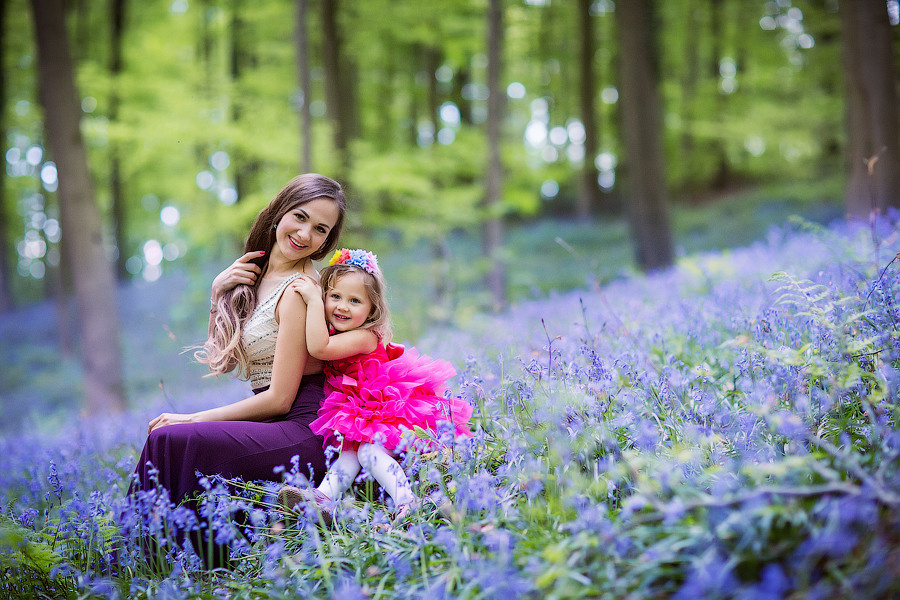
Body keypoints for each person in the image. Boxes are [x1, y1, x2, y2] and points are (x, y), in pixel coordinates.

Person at [131, 173, 346, 510]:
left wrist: (190, 418)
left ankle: (143, 541)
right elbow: (224, 360)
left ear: (326, 241)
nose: (305, 234)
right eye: (300, 217)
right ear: (280, 212)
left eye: (320, 229)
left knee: (169, 439)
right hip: (275, 425)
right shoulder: (258, 275)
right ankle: (163, 541)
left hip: (303, 430)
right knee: (170, 441)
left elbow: (279, 400)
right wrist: (218, 294)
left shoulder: (299, 290)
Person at [277, 248, 473, 523]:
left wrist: (312, 301)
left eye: (355, 301)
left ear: (372, 310)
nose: (343, 306)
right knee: (349, 452)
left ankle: (407, 501)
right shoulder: (338, 330)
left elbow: (320, 348)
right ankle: (322, 497)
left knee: (369, 452)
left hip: (389, 407)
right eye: (335, 297)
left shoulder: (365, 336)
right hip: (362, 409)